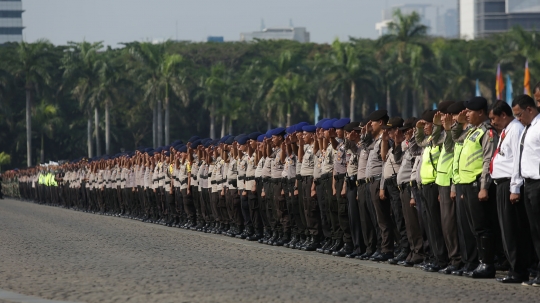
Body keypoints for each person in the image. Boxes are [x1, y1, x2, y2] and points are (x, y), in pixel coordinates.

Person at [453, 96, 499, 279]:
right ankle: (479, 262)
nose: (467, 114)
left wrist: (484, 186)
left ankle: (487, 264)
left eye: (470, 111)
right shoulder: (472, 131)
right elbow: (456, 138)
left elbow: (488, 160)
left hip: (476, 184)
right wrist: (460, 123)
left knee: (482, 227)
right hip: (466, 184)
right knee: (472, 227)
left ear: (481, 112)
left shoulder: (487, 132)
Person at [489, 100, 532, 284]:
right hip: (501, 184)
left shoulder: (515, 130)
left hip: (509, 185)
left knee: (511, 230)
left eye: (494, 118)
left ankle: (518, 270)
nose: (492, 122)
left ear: (503, 115)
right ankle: (515, 268)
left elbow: (517, 162)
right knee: (505, 229)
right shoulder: (507, 131)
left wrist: (515, 188)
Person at [511, 94, 540, 286]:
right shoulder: (527, 129)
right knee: (534, 231)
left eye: (520, 114)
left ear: (530, 109)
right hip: (528, 184)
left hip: (538, 182)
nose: (518, 119)